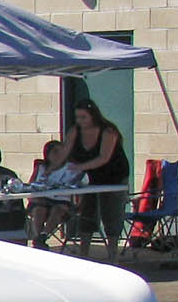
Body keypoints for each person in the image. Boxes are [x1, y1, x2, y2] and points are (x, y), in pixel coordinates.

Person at [65, 101, 130, 260]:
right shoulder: (75, 132)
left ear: (93, 116)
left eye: (83, 117)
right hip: (91, 179)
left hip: (114, 177)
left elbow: (104, 157)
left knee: (111, 214)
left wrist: (80, 167)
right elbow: (65, 152)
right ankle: (84, 254)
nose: (80, 121)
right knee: (87, 213)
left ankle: (113, 256)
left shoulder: (108, 131)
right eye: (77, 117)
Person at [24, 139, 82, 248]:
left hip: (62, 201)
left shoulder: (71, 168)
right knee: (39, 209)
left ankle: (43, 236)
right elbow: (31, 186)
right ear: (48, 154)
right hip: (41, 199)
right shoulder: (40, 168)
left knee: (57, 209)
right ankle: (38, 238)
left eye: (61, 151)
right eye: (55, 152)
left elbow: (78, 185)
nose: (59, 155)